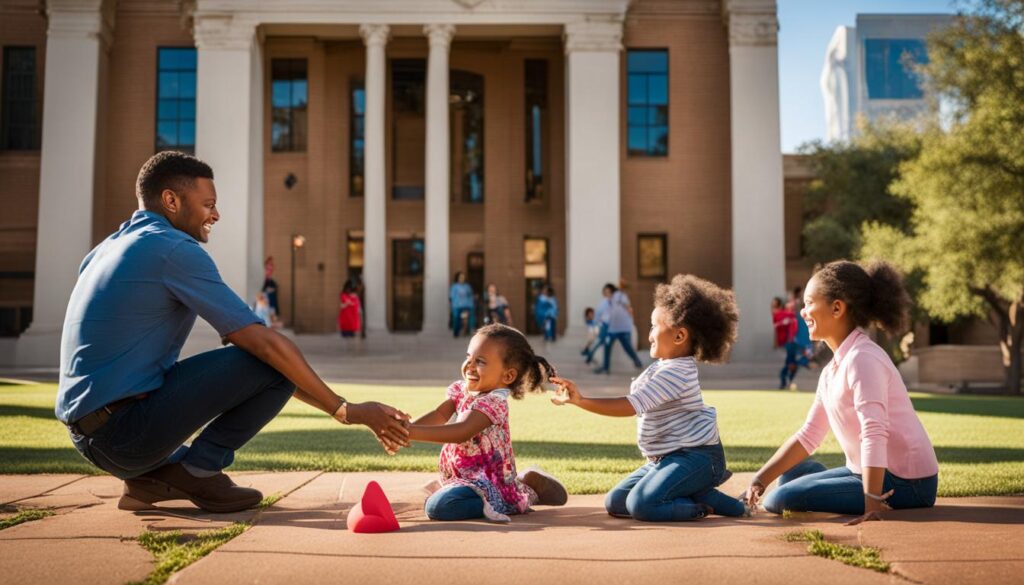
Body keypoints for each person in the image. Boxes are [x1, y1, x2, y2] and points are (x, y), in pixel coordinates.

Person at [56, 151, 411, 514]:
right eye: (208, 204)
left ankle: (150, 482)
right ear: (171, 200)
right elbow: (264, 345)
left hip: (89, 435)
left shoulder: (106, 248)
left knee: (273, 360)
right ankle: (200, 469)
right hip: (122, 434)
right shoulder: (173, 249)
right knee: (273, 361)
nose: (215, 214)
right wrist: (347, 411)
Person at [743, 260, 939, 525]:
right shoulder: (833, 368)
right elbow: (808, 436)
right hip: (863, 471)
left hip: (907, 482)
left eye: (809, 303)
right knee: (789, 475)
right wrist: (759, 480)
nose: (802, 312)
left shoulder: (863, 359)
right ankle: (838, 488)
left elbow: (873, 431)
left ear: (837, 308)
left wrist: (872, 503)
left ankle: (857, 493)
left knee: (780, 499)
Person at [550, 275, 747, 521]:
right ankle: (695, 492)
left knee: (641, 504)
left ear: (679, 336)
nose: (650, 333)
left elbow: (631, 406)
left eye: (654, 326)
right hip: (666, 459)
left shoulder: (678, 372)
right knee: (617, 502)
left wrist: (581, 400)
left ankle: (703, 502)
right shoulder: (663, 366)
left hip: (699, 457)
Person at [409, 323, 568, 522]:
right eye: (469, 357)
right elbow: (439, 414)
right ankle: (523, 484)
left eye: (480, 361)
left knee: (438, 507)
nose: (470, 365)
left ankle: (524, 491)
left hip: (487, 482)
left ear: (508, 375)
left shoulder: (495, 402)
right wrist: (404, 429)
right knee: (441, 501)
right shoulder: (460, 390)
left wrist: (410, 432)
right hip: (462, 476)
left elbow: (461, 431)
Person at [595, 283, 643, 374]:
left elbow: (629, 308)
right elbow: (605, 314)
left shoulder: (619, 296)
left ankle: (637, 362)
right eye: (605, 292)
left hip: (623, 328)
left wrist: (631, 321)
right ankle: (605, 368)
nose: (606, 294)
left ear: (612, 291)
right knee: (607, 345)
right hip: (612, 329)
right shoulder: (608, 301)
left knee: (627, 347)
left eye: (607, 291)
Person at [583, 284, 614, 364]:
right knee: (599, 343)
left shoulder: (613, 302)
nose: (607, 294)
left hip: (611, 326)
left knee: (603, 344)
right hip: (605, 325)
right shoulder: (603, 302)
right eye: (606, 292)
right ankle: (589, 356)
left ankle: (589, 356)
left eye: (609, 292)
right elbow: (599, 314)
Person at [772, 297, 799, 389]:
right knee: (791, 363)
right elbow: (776, 327)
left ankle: (786, 381)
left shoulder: (792, 316)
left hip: (792, 342)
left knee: (791, 363)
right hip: (789, 343)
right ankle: (786, 381)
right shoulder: (781, 315)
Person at [449, 271, 475, 338]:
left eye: (463, 277)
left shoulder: (467, 286)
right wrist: (451, 306)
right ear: (457, 278)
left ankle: (466, 331)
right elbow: (451, 297)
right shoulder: (454, 286)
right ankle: (456, 333)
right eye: (460, 277)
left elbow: (470, 295)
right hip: (457, 306)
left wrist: (471, 304)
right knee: (457, 319)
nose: (462, 278)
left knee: (465, 319)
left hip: (466, 306)